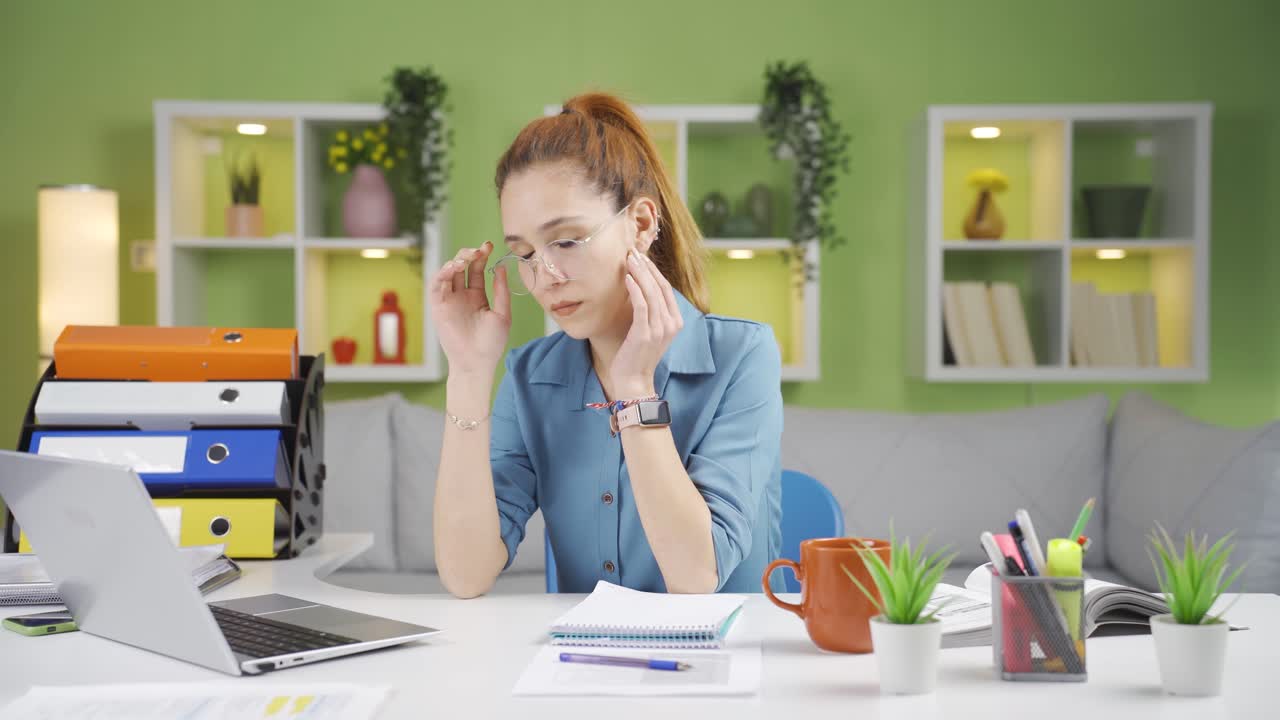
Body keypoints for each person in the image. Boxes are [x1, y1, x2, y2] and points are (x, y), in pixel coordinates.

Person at [430, 92, 782, 598]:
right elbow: (466, 575)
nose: (545, 277)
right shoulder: (530, 375)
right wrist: (466, 372)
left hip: (724, 659)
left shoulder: (741, 356)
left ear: (640, 224)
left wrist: (634, 388)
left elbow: (695, 577)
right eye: (525, 254)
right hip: (589, 664)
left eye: (567, 241)